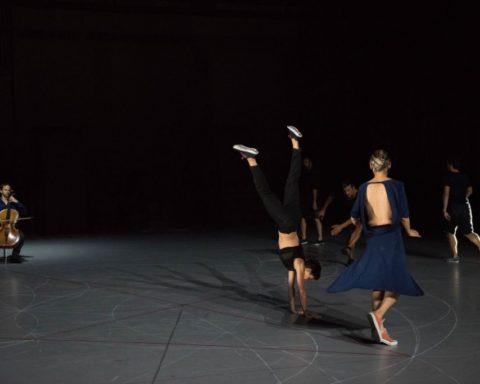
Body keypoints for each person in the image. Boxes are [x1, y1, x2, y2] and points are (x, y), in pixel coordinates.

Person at [327, 150, 423, 346]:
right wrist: (409, 230)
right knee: (398, 282)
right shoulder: (397, 185)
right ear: (389, 165)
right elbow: (404, 214)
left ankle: (378, 330)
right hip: (391, 237)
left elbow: (355, 217)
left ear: (371, 166)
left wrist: (347, 225)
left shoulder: (363, 187)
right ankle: (378, 316)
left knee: (378, 283)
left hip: (374, 239)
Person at [233, 126, 321, 316]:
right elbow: (301, 290)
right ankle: (251, 158)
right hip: (287, 223)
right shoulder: (299, 263)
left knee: (292, 181)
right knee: (265, 193)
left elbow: (290, 289)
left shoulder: (294, 267)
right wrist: (307, 312)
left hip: (293, 219)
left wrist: (293, 308)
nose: (306, 280)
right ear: (309, 269)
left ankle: (295, 142)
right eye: (310, 277)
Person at [443, 157, 480, 263]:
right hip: (465, 206)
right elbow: (470, 190)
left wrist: (444, 209)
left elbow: (446, 194)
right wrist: (464, 198)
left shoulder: (448, 177)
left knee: (450, 232)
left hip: (454, 207)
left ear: (451, 165)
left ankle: (455, 257)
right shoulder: (465, 176)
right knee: (469, 232)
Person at [321, 180, 362, 265]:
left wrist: (341, 227)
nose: (347, 193)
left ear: (354, 188)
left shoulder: (360, 196)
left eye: (348, 190)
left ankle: (349, 247)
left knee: (359, 225)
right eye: (345, 191)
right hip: (353, 215)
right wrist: (323, 209)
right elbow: (331, 196)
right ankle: (350, 258)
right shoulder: (344, 193)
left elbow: (356, 217)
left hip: (369, 216)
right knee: (351, 234)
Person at [0, 183, 27, 262]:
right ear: (1, 191)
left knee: (21, 236)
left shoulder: (13, 202)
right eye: (5, 190)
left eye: (9, 190)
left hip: (11, 227)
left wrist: (16, 201)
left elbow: (24, 212)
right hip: (0, 227)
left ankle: (14, 256)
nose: (7, 191)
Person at [299, 157, 323, 246]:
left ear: (310, 161)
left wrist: (314, 201)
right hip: (305, 199)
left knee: (316, 217)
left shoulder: (314, 172)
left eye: (306, 161)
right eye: (304, 162)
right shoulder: (305, 172)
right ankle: (304, 238)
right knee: (303, 217)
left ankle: (320, 239)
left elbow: (315, 188)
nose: (305, 163)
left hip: (313, 199)